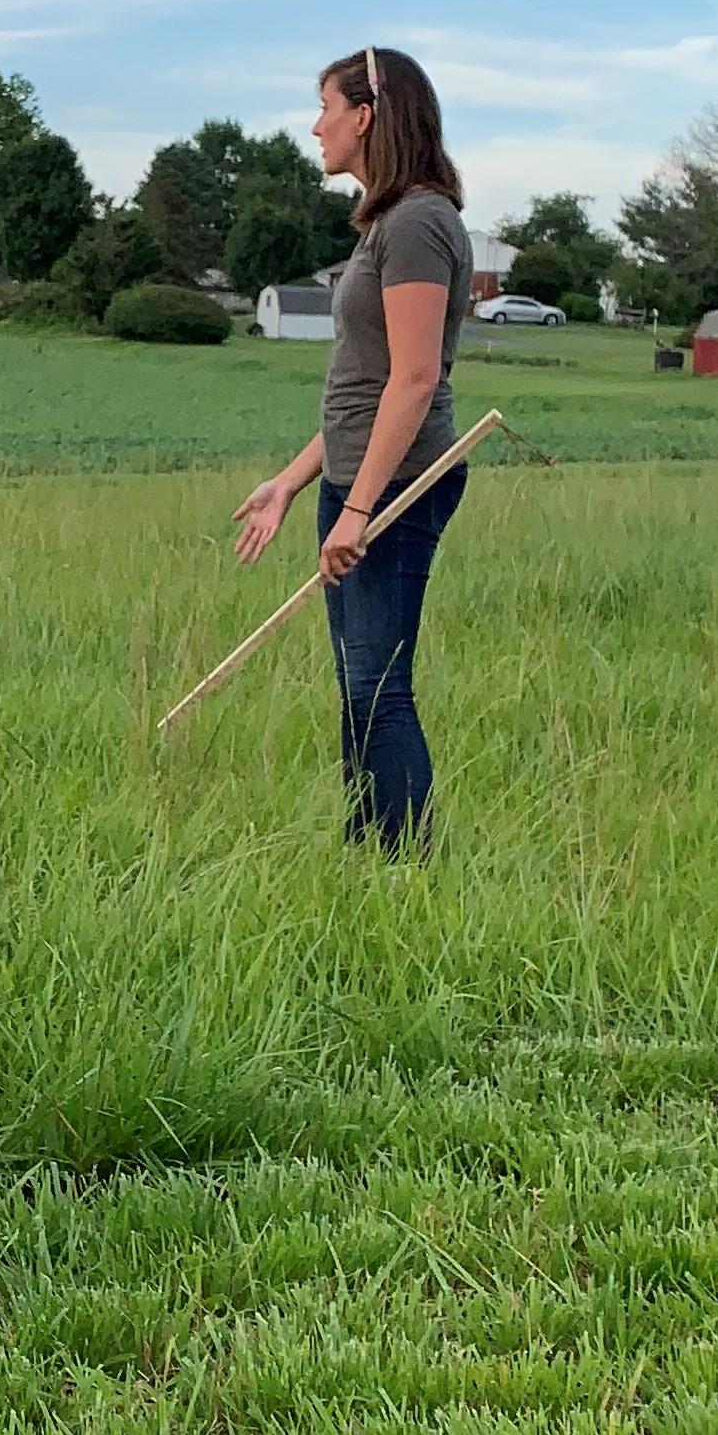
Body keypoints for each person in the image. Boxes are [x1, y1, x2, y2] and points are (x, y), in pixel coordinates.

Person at [233, 46, 472, 854]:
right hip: (355, 483)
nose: (316, 124)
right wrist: (295, 483)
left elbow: (411, 381)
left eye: (326, 106)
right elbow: (362, 390)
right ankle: (368, 852)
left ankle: (406, 866)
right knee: (357, 685)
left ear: (366, 115)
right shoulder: (386, 221)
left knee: (379, 686)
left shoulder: (418, 223)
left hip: (398, 486)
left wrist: (361, 507)